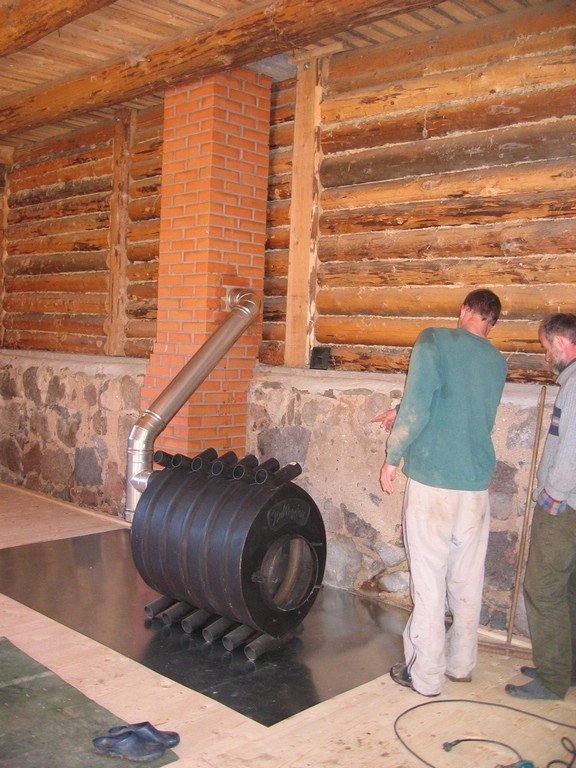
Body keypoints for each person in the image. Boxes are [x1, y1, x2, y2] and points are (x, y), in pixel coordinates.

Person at [373, 289, 507, 697]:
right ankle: (461, 664)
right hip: (475, 487)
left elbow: (419, 405)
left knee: (428, 582)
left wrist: (393, 456)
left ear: (464, 309)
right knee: (466, 579)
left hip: (433, 483)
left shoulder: (434, 339)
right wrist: (400, 411)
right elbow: (463, 409)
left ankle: (426, 676)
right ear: (492, 324)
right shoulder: (497, 362)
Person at [505, 313, 576, 700]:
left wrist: (554, 495)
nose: (547, 356)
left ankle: (551, 680)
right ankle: (566, 669)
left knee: (543, 589)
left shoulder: (575, 385)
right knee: (568, 590)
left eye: (548, 348)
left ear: (561, 344)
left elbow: (571, 450)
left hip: (565, 507)